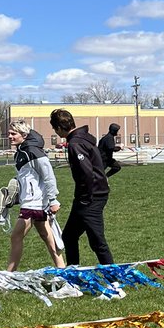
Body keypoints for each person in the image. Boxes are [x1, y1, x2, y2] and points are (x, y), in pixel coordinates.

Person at [49, 109, 114, 266]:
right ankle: (73, 280)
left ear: (59, 127)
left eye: (54, 128)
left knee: (97, 241)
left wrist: (85, 199)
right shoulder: (83, 139)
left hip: (90, 198)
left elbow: (86, 173)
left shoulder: (75, 143)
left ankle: (115, 283)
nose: (55, 132)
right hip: (89, 196)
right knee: (69, 237)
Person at [6, 121, 65, 272]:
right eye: (9, 133)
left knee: (16, 236)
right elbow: (28, 179)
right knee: (48, 238)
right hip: (32, 202)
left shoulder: (32, 150)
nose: (10, 136)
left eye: (13, 134)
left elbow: (48, 176)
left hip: (35, 203)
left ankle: (9, 274)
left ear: (24, 135)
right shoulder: (20, 151)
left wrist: (53, 199)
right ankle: (63, 271)